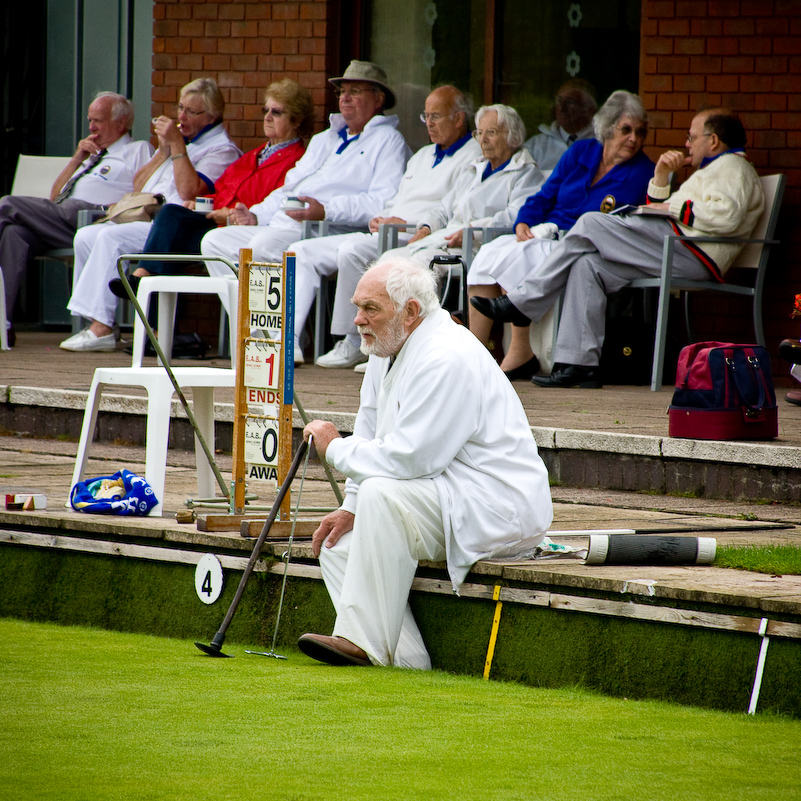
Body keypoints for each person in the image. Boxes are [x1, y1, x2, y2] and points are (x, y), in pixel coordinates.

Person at [298, 257, 553, 669]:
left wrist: (334, 449)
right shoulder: (386, 347)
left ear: (411, 311)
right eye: (357, 307)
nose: (358, 320)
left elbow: (411, 459)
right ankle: (406, 664)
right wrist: (350, 507)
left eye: (371, 309)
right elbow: (371, 432)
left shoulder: (447, 355)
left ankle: (360, 642)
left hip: (497, 506)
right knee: (336, 542)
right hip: (443, 493)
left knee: (382, 493)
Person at [474, 108, 765, 389]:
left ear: (713, 141)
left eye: (692, 137)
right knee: (587, 265)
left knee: (590, 223)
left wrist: (672, 206)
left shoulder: (733, 168)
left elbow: (726, 216)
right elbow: (658, 208)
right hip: (675, 246)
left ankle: (522, 302)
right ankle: (580, 365)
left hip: (691, 254)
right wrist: (662, 176)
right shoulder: (716, 168)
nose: (687, 144)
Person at [199, 60, 410, 364]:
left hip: (336, 228)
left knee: (265, 247)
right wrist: (255, 215)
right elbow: (290, 188)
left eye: (355, 91)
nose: (345, 98)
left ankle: (286, 339)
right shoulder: (326, 138)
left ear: (378, 100)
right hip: (290, 223)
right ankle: (258, 331)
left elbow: (380, 201)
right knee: (215, 243)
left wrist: (326, 210)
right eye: (342, 91)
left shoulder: (388, 140)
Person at [468, 91, 654, 380]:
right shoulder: (581, 152)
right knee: (491, 252)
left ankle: (520, 353)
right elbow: (544, 196)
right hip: (544, 232)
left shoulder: (643, 172)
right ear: (607, 128)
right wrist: (524, 222)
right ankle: (474, 357)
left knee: (521, 254)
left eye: (640, 132)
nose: (634, 139)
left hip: (582, 244)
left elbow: (616, 223)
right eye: (626, 130)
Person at [295, 84, 480, 369]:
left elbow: (450, 210)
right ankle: (355, 339)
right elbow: (396, 199)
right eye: (425, 116)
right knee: (347, 250)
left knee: (362, 253)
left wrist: (416, 227)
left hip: (421, 235)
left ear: (458, 118)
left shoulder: (472, 154)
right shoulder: (422, 155)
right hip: (392, 232)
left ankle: (377, 342)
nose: (429, 123)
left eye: (436, 116)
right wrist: (382, 216)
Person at [60, 77, 241, 352]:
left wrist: (178, 148)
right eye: (180, 108)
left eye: (192, 112)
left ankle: (101, 329)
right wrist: (163, 151)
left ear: (212, 116)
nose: (182, 116)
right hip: (145, 217)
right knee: (86, 235)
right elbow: (138, 186)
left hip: (173, 227)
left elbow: (190, 191)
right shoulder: (180, 141)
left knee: (109, 238)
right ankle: (98, 322)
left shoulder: (222, 150)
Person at [107, 79, 313, 295]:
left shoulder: (298, 161)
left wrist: (232, 213)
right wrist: (200, 203)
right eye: (265, 110)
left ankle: (142, 281)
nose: (267, 117)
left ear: (296, 120)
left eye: (276, 112)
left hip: (243, 233)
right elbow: (222, 189)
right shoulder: (255, 155)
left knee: (171, 231)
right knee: (173, 217)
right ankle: (147, 295)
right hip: (215, 225)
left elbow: (275, 206)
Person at [0, 92, 153, 345]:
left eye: (99, 121)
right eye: (90, 120)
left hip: (95, 217)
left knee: (6, 204)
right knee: (13, 234)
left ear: (121, 123)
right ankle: (2, 324)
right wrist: (77, 159)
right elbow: (54, 197)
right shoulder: (91, 155)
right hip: (63, 219)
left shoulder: (137, 150)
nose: (91, 127)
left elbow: (145, 191)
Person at [373, 104, 544, 281]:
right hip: (443, 241)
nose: (483, 140)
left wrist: (473, 232)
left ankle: (421, 310)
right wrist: (426, 228)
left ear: (512, 137)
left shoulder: (526, 173)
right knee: (387, 262)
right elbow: (444, 209)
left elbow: (514, 216)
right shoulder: (474, 168)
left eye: (491, 133)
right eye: (479, 132)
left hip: (478, 248)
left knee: (416, 267)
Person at [524, 80, 597, 172]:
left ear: (589, 109)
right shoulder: (536, 145)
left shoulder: (601, 142)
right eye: (559, 100)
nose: (561, 108)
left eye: (570, 102)